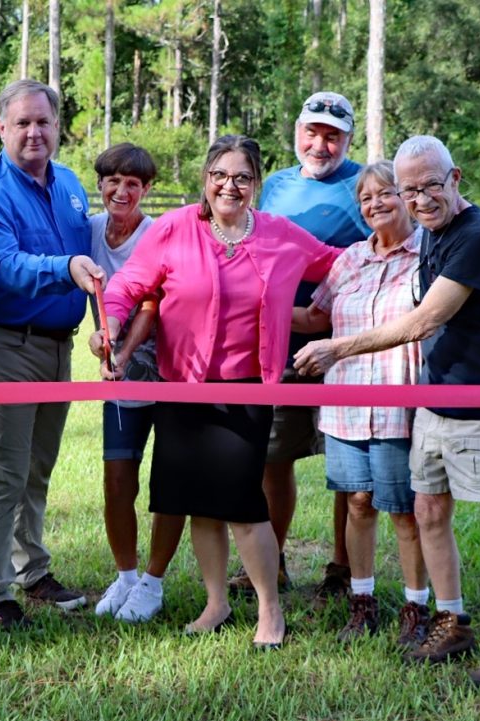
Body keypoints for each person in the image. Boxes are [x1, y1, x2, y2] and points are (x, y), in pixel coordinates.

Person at [294, 135, 480, 688]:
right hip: (433, 398)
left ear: (456, 178)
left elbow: (425, 319)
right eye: (410, 190)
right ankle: (452, 621)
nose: (421, 198)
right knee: (428, 510)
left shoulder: (475, 233)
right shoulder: (433, 230)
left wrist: (340, 347)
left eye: (431, 185)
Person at [102, 135, 341, 646]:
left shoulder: (281, 236)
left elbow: (342, 265)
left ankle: (270, 610)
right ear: (206, 179)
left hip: (247, 390)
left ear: (256, 184)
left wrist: (410, 250)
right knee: (197, 500)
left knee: (241, 503)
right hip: (180, 387)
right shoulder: (173, 228)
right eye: (219, 175)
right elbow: (130, 285)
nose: (228, 185)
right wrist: (111, 322)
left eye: (241, 177)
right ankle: (216, 603)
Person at [0, 79, 104, 628]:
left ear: (56, 124)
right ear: (1, 128)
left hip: (58, 349)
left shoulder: (68, 184)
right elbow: (7, 267)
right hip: (4, 346)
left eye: (42, 121)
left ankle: (32, 570)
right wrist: (63, 269)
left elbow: (91, 262)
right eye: (21, 122)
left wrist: (101, 331)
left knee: (36, 469)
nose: (33, 132)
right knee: (1, 472)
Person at [229, 92, 368, 603]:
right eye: (312, 132)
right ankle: (272, 561)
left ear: (348, 140)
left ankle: (342, 566)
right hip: (282, 344)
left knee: (349, 461)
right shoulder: (276, 186)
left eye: (332, 135)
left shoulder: (365, 185)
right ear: (297, 131)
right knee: (273, 457)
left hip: (350, 343)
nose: (320, 143)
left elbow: (419, 238)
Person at [84, 144, 185, 623]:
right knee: (117, 477)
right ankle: (125, 575)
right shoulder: (88, 231)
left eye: (133, 184)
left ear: (147, 189)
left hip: (169, 370)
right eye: (113, 181)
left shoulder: (157, 233)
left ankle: (153, 581)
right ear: (100, 184)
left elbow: (150, 301)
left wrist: (121, 352)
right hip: (118, 376)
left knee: (169, 481)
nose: (121, 191)